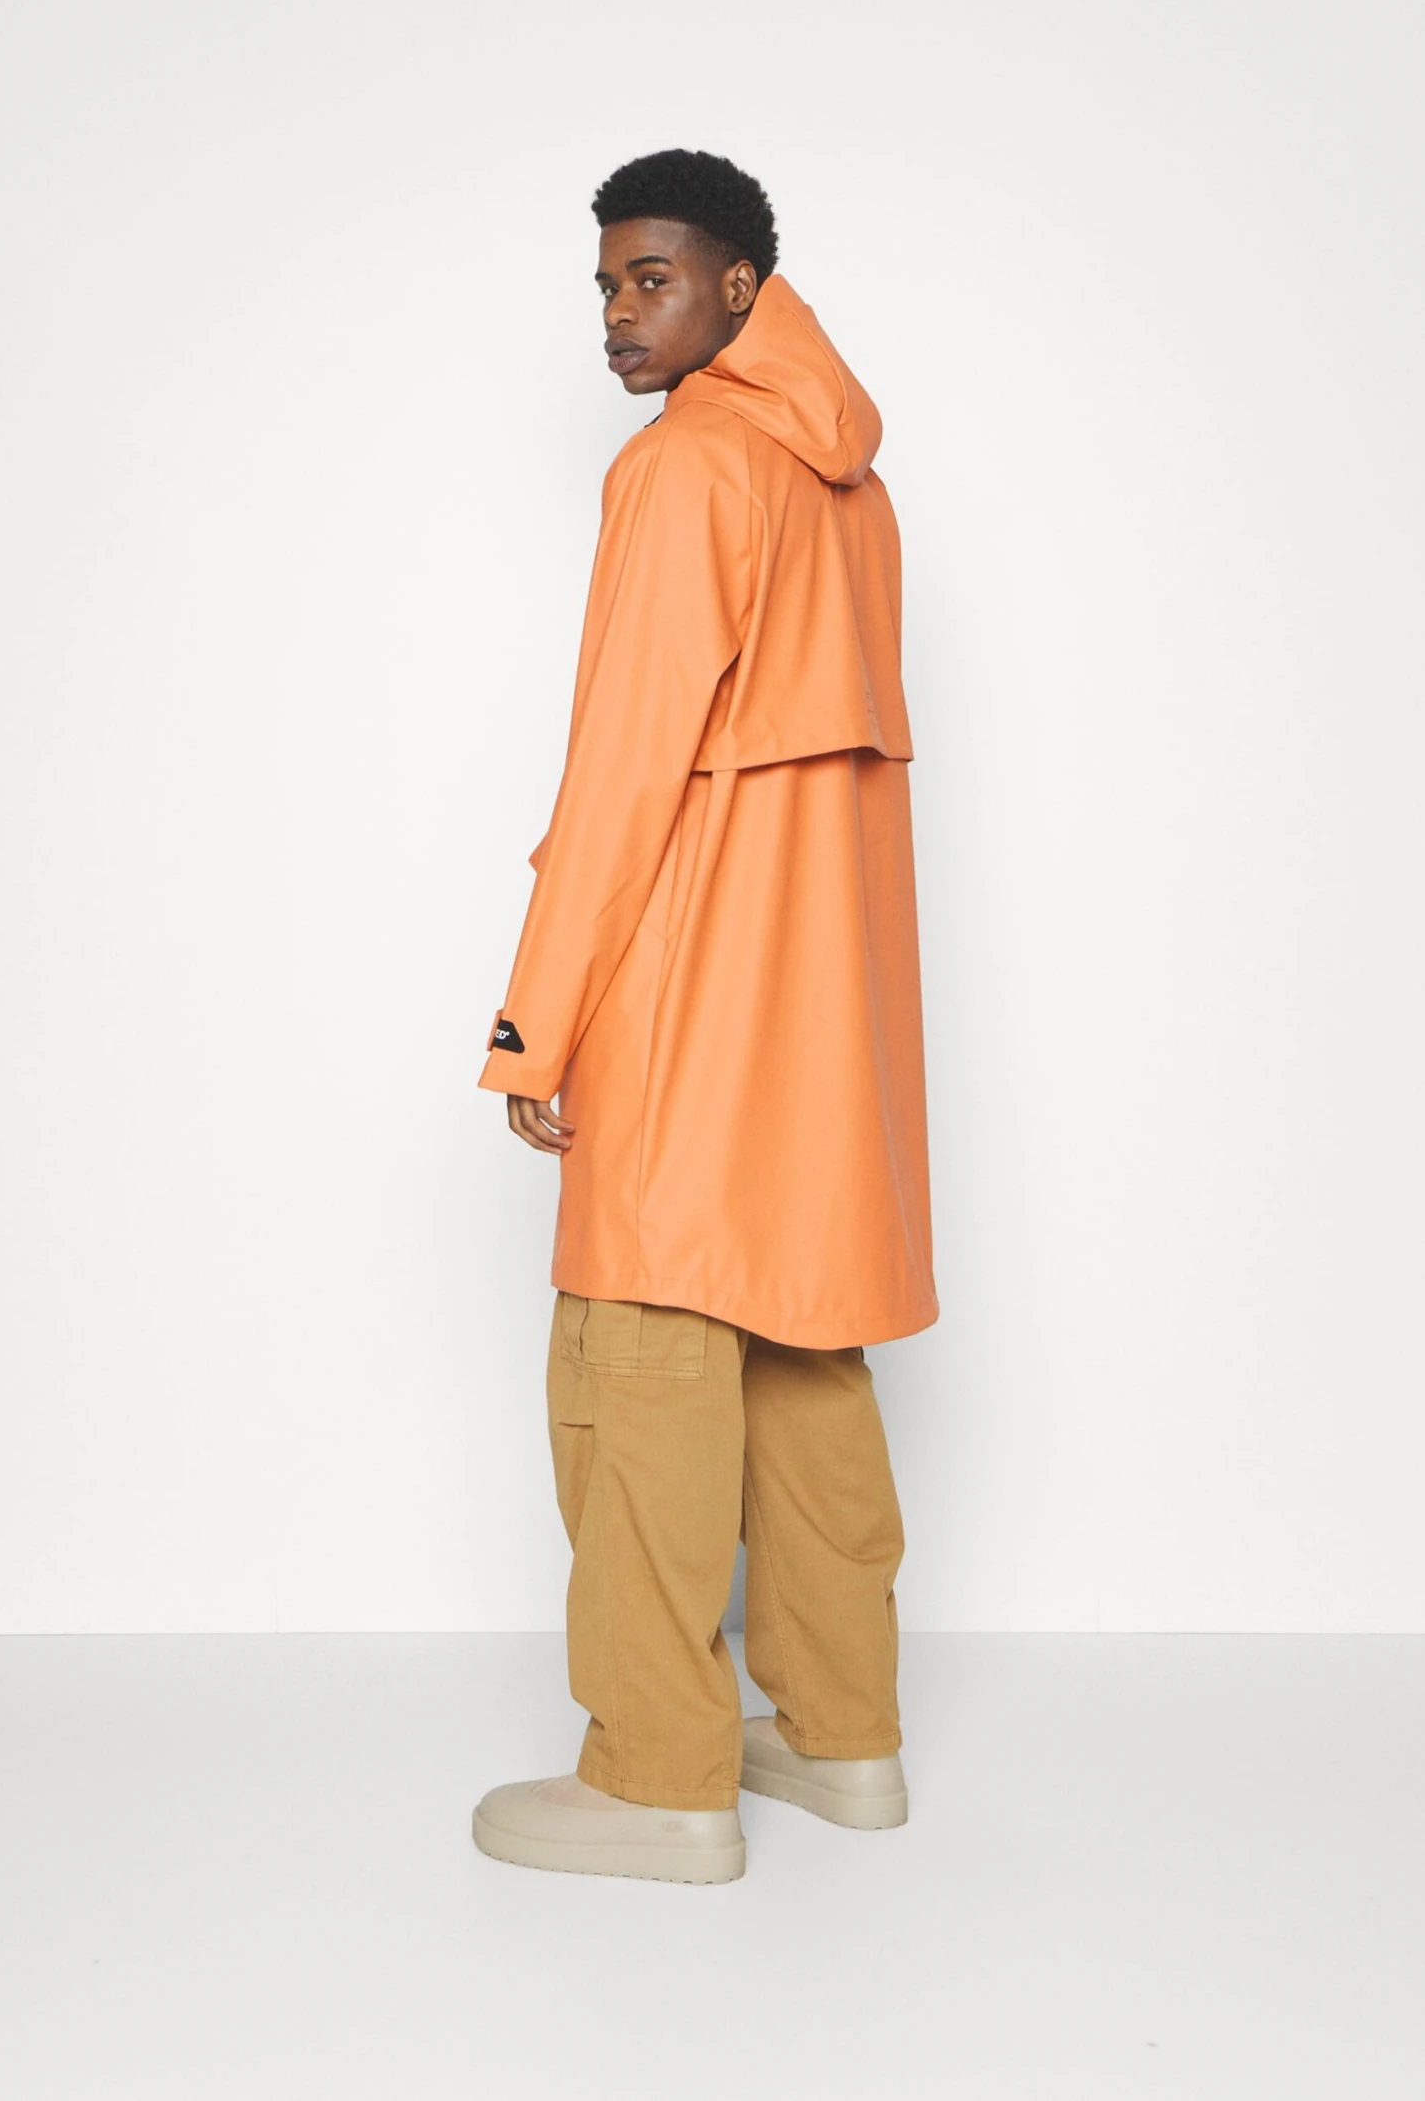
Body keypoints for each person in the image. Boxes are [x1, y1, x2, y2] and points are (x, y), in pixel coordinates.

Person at [472, 148, 938, 1884]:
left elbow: (625, 768)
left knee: (640, 1356)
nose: (617, 314)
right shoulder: (850, 484)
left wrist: (537, 1019)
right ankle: (843, 1734)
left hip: (686, 983)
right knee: (803, 1344)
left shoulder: (684, 469)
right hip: (822, 1010)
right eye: (605, 284)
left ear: (742, 285)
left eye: (650, 279)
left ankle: (660, 1773)